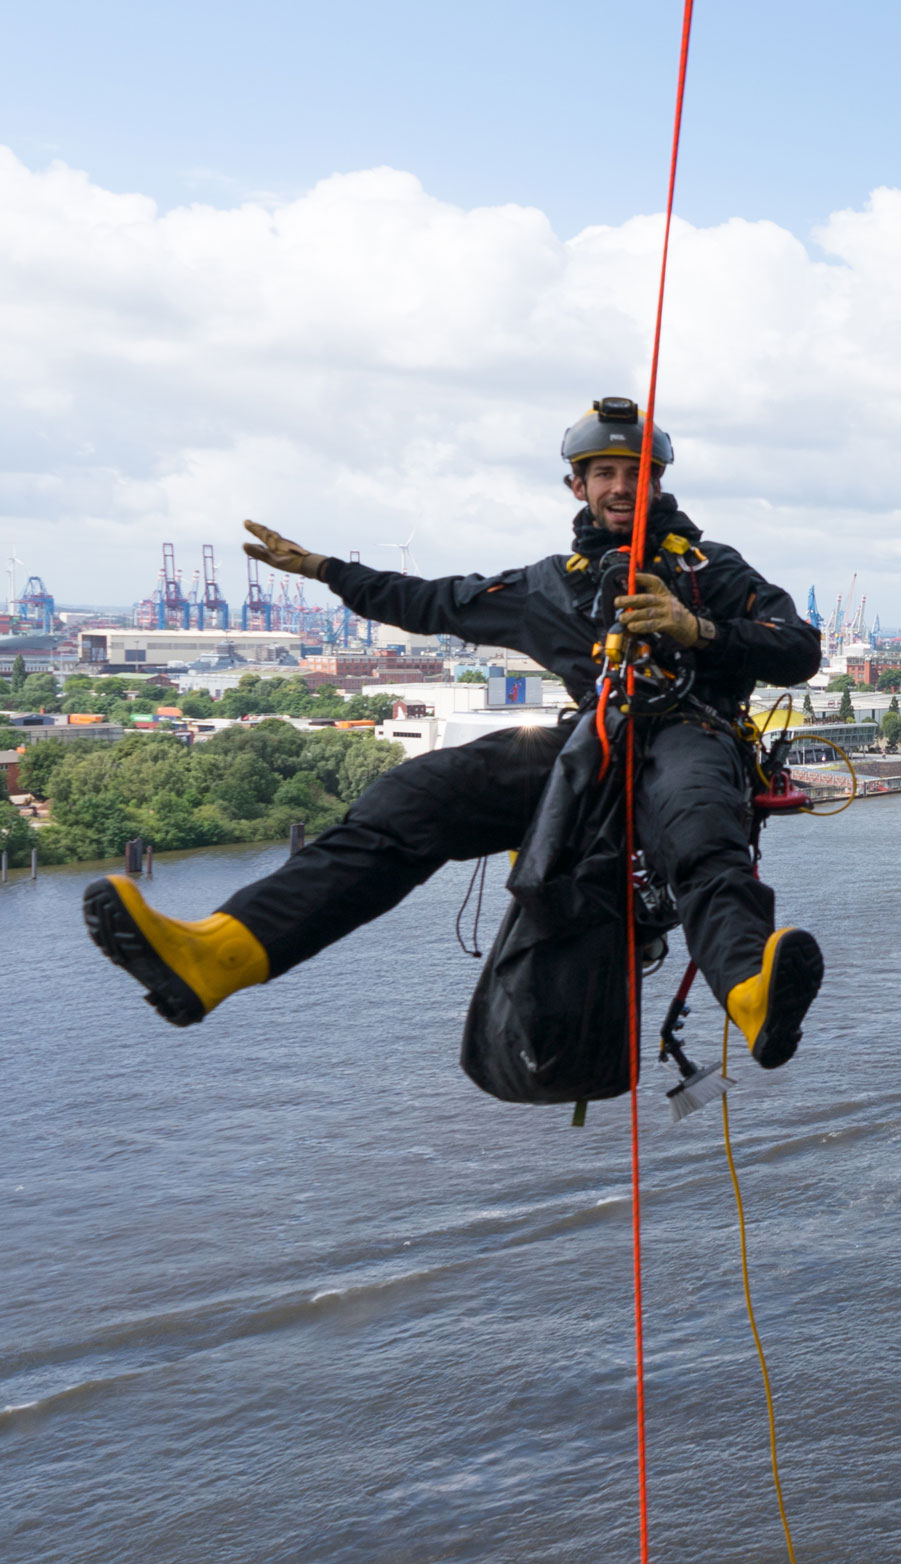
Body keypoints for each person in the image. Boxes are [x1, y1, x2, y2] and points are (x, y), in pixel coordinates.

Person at [83, 398, 826, 1070]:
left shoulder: (709, 569)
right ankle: (220, 955)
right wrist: (322, 570)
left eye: (634, 473)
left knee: (699, 829)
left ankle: (750, 990)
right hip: (589, 746)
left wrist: (697, 628)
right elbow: (430, 600)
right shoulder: (550, 585)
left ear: (658, 483)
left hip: (691, 734)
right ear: (577, 486)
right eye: (603, 473)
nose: (620, 488)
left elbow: (797, 646)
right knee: (414, 795)